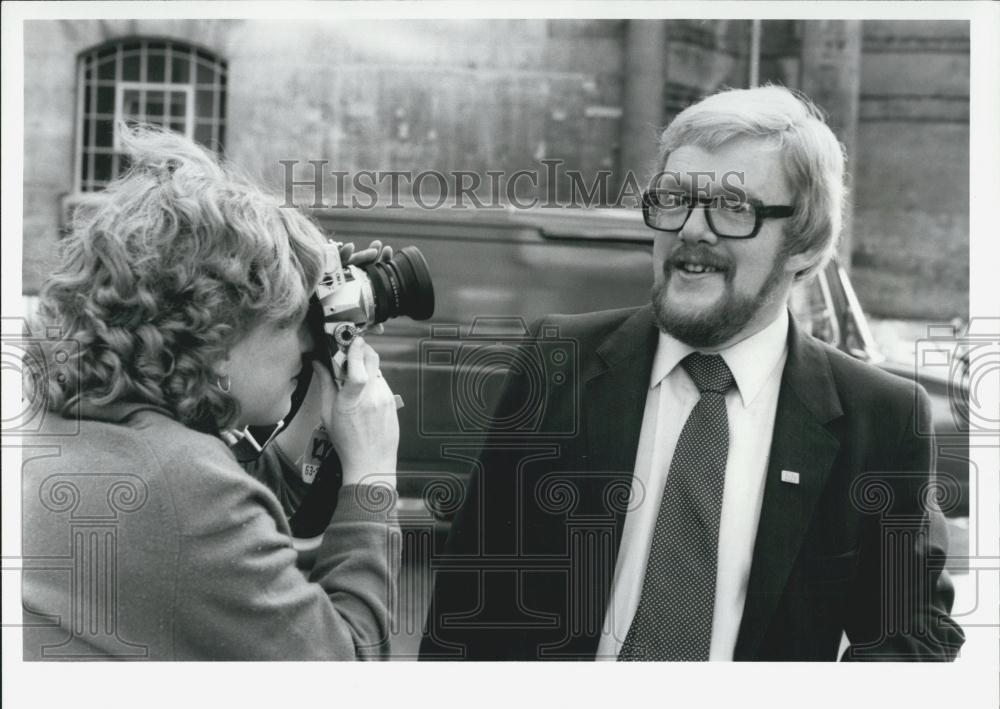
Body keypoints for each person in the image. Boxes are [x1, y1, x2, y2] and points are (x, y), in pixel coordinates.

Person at [420, 85, 965, 661]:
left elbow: (914, 632)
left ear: (804, 245)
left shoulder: (877, 416)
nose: (691, 229)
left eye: (734, 208)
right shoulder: (559, 365)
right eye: (674, 199)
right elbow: (467, 605)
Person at [22, 125, 401, 660]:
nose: (303, 340)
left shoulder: (84, 425)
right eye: (293, 321)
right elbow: (349, 668)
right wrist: (372, 476)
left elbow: (225, 512)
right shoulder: (184, 491)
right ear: (221, 333)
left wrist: (322, 368)